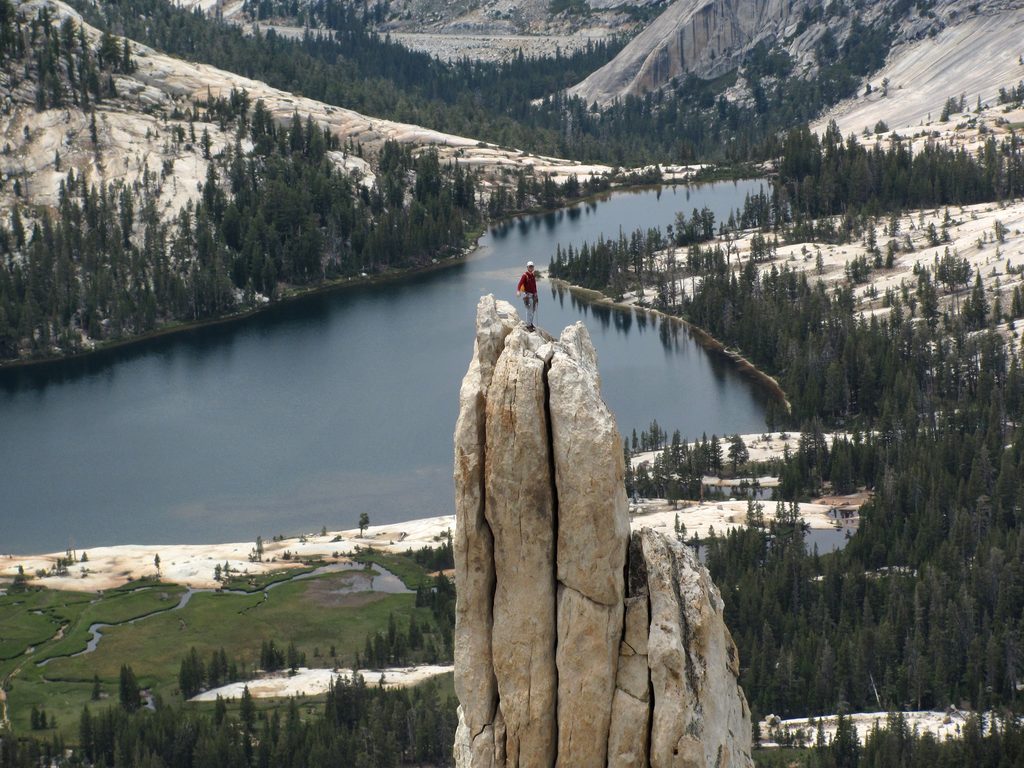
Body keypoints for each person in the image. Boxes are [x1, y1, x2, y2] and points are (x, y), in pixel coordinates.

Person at [517, 260, 538, 330]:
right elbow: (520, 284)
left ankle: (531, 323)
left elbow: (534, 285)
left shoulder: (532, 275)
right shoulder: (525, 275)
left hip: (533, 295)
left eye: (532, 266)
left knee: (533, 310)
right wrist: (518, 291)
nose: (531, 268)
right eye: (530, 267)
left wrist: (536, 293)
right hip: (527, 296)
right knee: (529, 311)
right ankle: (528, 325)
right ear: (527, 267)